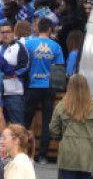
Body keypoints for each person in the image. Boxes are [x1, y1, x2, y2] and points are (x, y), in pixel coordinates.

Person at [23, 18, 64, 163]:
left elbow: (24, 65)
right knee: (47, 122)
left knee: (26, 121)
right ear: (50, 29)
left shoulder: (28, 44)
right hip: (49, 87)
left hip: (32, 86)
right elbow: (59, 69)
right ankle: (42, 155)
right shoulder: (56, 46)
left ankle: (24, 152)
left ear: (37, 28)